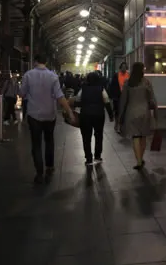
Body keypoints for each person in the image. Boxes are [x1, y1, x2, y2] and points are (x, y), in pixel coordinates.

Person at [19, 54, 74, 184]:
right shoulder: (53, 76)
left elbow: (21, 93)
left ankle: (39, 172)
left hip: (34, 115)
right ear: (46, 62)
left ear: (35, 62)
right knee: (49, 140)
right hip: (50, 115)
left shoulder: (28, 75)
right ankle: (50, 166)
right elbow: (60, 96)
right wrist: (70, 112)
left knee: (36, 144)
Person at [118, 62, 157, 170]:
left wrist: (120, 116)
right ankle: (141, 157)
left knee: (135, 137)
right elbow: (152, 98)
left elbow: (123, 100)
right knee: (143, 136)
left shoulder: (128, 83)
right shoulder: (146, 82)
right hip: (144, 112)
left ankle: (139, 161)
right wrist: (156, 112)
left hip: (131, 113)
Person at [70, 72, 114, 166]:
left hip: (85, 115)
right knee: (99, 136)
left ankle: (88, 158)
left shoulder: (83, 89)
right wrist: (111, 115)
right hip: (99, 115)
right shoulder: (101, 88)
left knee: (86, 137)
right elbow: (107, 102)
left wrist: (83, 105)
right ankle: (97, 156)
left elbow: (77, 101)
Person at [108, 62, 130, 133]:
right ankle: (117, 124)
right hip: (117, 96)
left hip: (126, 96)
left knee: (124, 111)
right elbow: (112, 86)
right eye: (122, 67)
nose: (124, 68)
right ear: (120, 68)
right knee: (117, 111)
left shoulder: (128, 75)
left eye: (125, 67)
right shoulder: (116, 75)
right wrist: (112, 96)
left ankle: (121, 126)